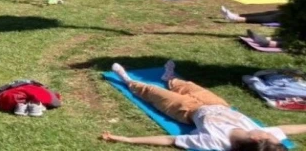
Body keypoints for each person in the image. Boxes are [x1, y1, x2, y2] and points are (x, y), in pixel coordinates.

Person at [101, 60, 306, 150]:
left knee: (152, 93)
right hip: (217, 104)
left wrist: (126, 138)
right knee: (187, 85)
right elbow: (289, 129)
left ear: (256, 139)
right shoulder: (263, 135)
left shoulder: (215, 142)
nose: (276, 134)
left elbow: (170, 139)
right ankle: (170, 77)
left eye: (271, 136)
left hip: (187, 111)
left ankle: (127, 79)